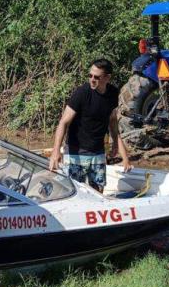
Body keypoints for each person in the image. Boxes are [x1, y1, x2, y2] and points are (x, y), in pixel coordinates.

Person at [48, 59, 132, 192]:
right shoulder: (81, 93)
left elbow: (112, 120)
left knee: (98, 192)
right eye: (90, 75)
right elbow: (64, 122)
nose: (92, 79)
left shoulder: (112, 93)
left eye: (96, 77)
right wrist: (56, 150)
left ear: (107, 78)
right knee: (75, 193)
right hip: (76, 153)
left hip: (97, 152)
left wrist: (117, 143)